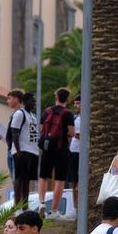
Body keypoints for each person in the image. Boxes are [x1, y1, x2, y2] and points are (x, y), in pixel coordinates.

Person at [37, 88, 75, 220]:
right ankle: (53, 210)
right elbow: (72, 132)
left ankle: (41, 203)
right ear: (67, 99)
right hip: (62, 149)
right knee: (59, 180)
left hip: (47, 148)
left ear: (56, 97)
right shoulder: (68, 114)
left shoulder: (47, 111)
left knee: (43, 177)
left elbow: (41, 129)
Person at [7, 89, 39, 208]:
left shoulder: (33, 116)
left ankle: (25, 205)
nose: (33, 103)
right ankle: (16, 206)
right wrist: (18, 150)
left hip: (32, 151)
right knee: (19, 179)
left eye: (34, 101)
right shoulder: (20, 113)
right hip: (22, 151)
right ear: (25, 102)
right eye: (32, 101)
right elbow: (14, 132)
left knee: (27, 180)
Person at [65, 94, 82, 220]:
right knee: (73, 182)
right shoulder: (75, 118)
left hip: (83, 153)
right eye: (75, 103)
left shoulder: (88, 118)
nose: (76, 106)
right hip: (73, 151)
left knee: (81, 183)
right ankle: (76, 209)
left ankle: (81, 208)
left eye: (79, 103)